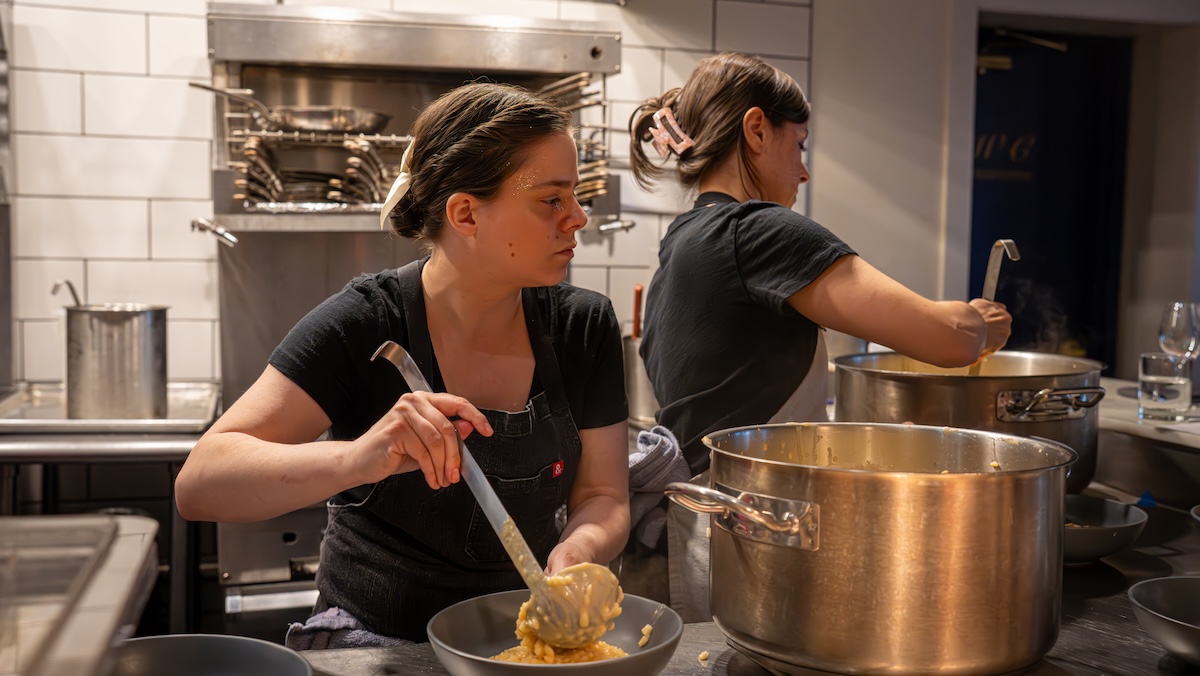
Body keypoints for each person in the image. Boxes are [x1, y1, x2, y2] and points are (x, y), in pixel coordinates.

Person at [175, 82, 631, 647]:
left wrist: (578, 550)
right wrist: (357, 458)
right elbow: (199, 484)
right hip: (373, 647)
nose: (579, 218)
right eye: (552, 200)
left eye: (577, 197)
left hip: (519, 650)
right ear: (466, 213)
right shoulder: (365, 323)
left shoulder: (582, 327)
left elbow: (604, 496)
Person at [628, 52, 1012, 621]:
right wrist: (980, 322)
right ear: (757, 129)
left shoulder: (685, 240)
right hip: (749, 528)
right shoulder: (756, 231)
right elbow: (949, 338)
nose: (804, 171)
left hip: (706, 524)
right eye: (800, 143)